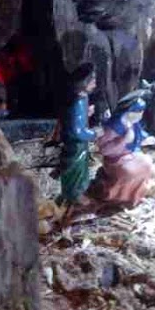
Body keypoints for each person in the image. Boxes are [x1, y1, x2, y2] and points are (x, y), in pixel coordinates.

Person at [90, 96, 155, 208]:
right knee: (129, 172)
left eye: (142, 111)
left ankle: (137, 192)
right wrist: (122, 141)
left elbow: (139, 133)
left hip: (131, 154)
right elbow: (104, 149)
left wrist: (145, 139)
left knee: (147, 164)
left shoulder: (133, 123)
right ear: (129, 111)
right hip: (116, 159)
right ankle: (120, 195)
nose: (141, 114)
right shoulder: (114, 127)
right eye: (139, 111)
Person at [57, 63, 98, 207]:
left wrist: (86, 113)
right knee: (76, 167)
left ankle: (78, 191)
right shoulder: (77, 101)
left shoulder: (82, 98)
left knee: (82, 166)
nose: (95, 83)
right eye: (92, 80)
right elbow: (77, 131)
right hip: (75, 143)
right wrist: (93, 134)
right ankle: (74, 194)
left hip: (79, 143)